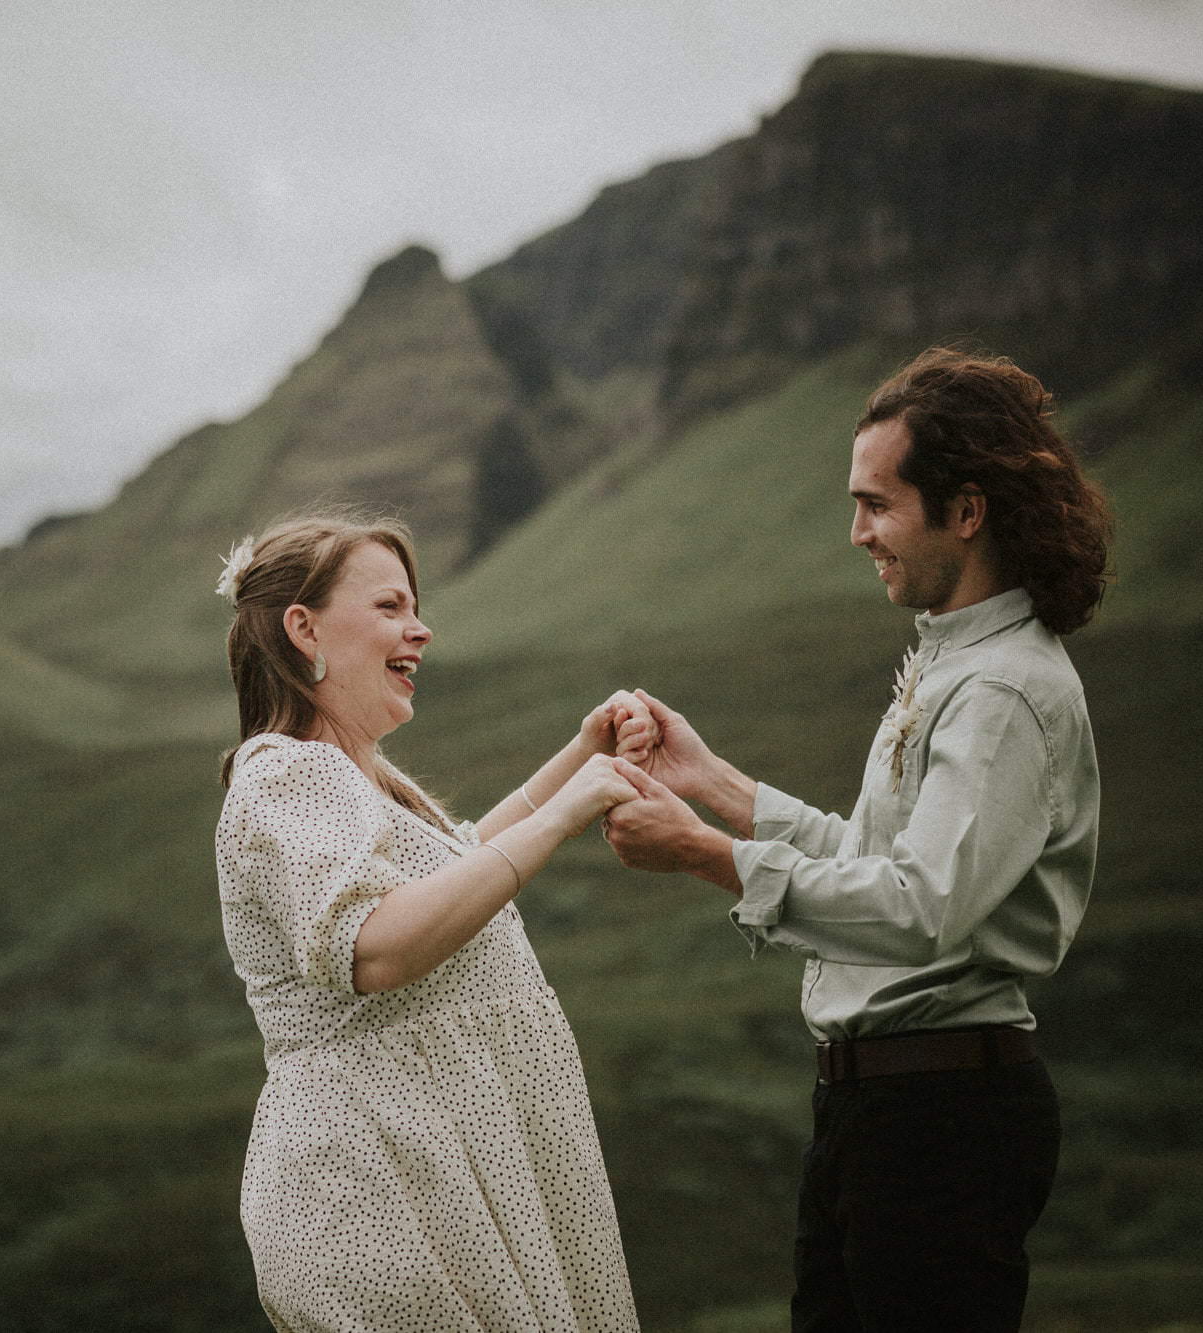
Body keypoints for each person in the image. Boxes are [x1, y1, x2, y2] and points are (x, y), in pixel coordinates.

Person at [601, 347, 1112, 1331]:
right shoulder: (953, 662)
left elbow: (919, 908)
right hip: (884, 1109)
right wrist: (714, 784)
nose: (856, 533)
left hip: (940, 1118)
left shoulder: (1000, 691)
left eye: (877, 504)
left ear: (965, 511)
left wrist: (704, 853)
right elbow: (880, 861)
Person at [214, 510, 653, 1332]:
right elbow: (377, 944)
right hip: (377, 1184)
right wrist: (567, 815)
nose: (420, 630)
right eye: (389, 607)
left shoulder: (357, 775)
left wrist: (581, 758)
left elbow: (461, 866)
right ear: (304, 628)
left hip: (430, 1173)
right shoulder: (287, 773)